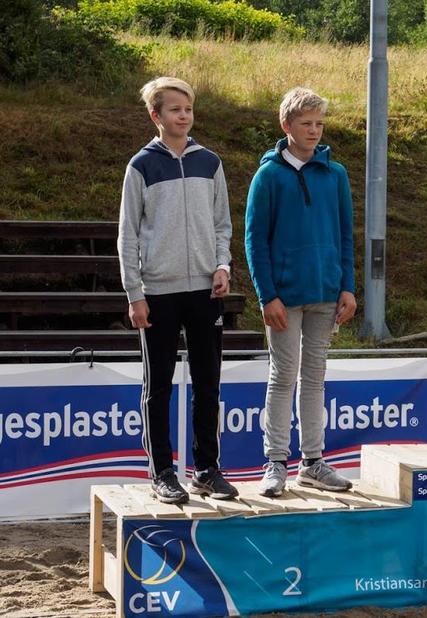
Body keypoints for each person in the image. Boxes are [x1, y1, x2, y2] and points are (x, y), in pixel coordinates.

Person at [118, 76, 236, 504]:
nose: (183, 116)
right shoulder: (141, 166)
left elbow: (222, 224)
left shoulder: (210, 162)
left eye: (188, 109)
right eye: (174, 110)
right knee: (159, 386)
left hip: (206, 291)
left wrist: (222, 265)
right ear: (156, 116)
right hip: (158, 293)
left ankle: (206, 469)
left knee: (208, 384)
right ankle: (162, 471)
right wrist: (135, 293)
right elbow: (127, 235)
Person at [245, 87, 356, 497]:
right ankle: (275, 461)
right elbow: (254, 240)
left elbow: (346, 235)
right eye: (306, 123)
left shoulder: (336, 174)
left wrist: (348, 286)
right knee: (282, 376)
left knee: (315, 379)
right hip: (284, 298)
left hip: (326, 294)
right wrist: (266, 294)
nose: (314, 130)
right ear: (286, 125)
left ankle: (313, 461)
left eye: (319, 124)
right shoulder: (268, 175)